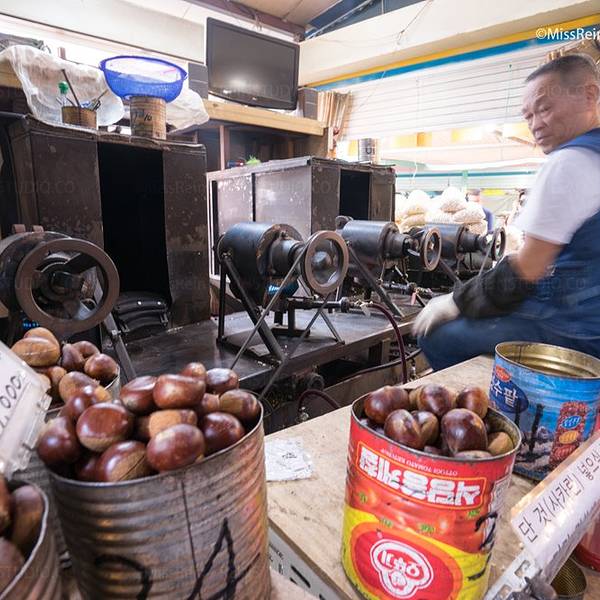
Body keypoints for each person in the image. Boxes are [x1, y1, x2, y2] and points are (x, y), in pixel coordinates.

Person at [413, 53, 600, 370]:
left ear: (589, 95)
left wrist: (458, 300)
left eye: (545, 109)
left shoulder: (569, 161)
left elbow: (529, 267)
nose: (535, 125)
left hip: (577, 329)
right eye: (528, 116)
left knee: (438, 335)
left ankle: (501, 401)